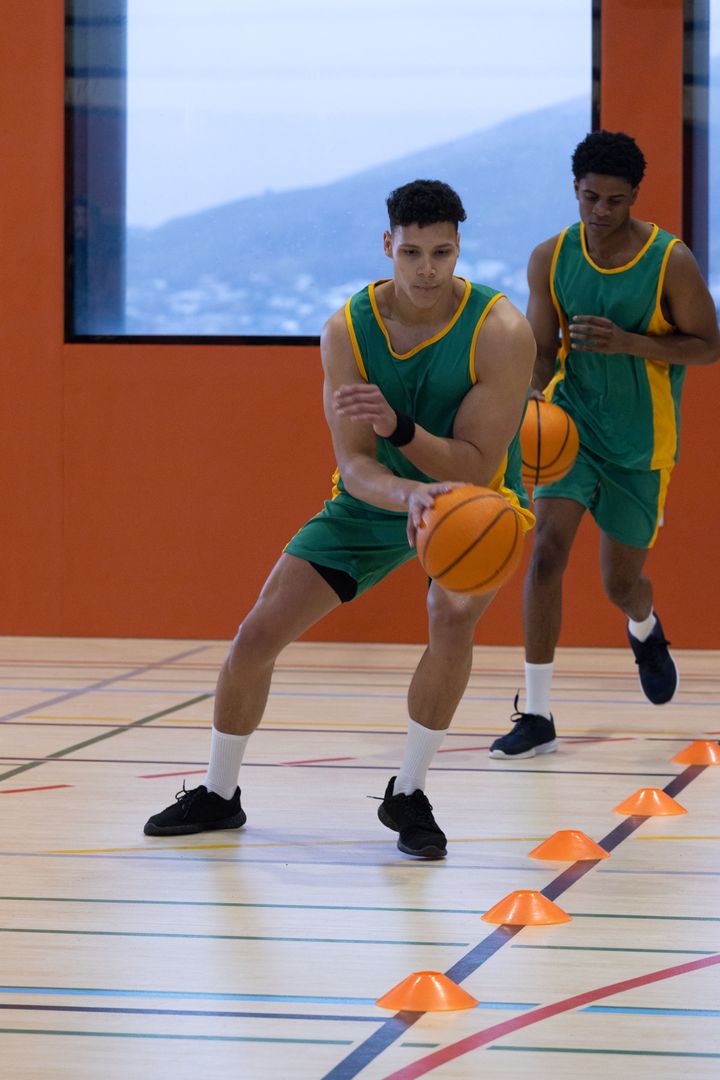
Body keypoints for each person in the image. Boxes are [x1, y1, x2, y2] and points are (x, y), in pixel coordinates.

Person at [144, 179, 536, 857]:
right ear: (388, 245)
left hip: (472, 508)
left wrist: (401, 429)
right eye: (411, 252)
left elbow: (474, 466)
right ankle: (219, 792)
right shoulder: (346, 331)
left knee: (450, 618)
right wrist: (406, 493)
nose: (426, 269)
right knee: (256, 634)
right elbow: (355, 466)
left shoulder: (500, 331)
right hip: (376, 500)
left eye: (441, 253)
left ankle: (408, 794)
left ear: (458, 249)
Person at [490, 131, 720, 760]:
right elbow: (541, 349)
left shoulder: (670, 260)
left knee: (621, 583)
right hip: (571, 432)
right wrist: (533, 394)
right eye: (590, 197)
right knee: (544, 553)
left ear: (633, 197)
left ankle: (644, 628)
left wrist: (632, 342)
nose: (600, 212)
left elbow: (708, 344)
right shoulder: (550, 257)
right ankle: (536, 713)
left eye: (614, 201)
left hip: (641, 445)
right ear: (575, 190)